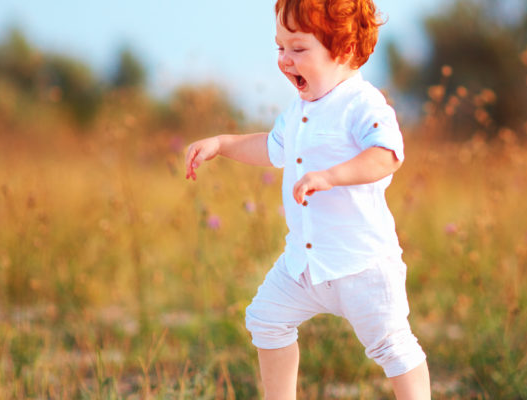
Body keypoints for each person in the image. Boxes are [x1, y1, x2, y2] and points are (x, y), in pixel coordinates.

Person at [183, 0, 431, 398]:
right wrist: (222, 143)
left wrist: (332, 176)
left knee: (392, 344)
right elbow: (272, 147)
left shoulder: (361, 103)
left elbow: (387, 155)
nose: (284, 60)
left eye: (298, 49)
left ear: (345, 51)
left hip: (362, 264)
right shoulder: (300, 109)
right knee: (265, 319)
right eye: (279, 47)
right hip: (304, 262)